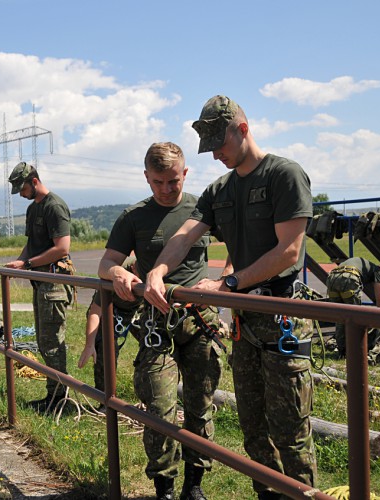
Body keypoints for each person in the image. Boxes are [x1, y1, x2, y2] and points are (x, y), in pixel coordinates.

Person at [144, 96, 317, 499]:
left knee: (290, 433)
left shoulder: (283, 175)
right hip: (244, 325)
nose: (215, 155)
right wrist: (158, 270)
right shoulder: (219, 189)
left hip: (280, 318)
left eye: (220, 146)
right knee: (254, 432)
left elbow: (289, 250)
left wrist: (227, 286)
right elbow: (185, 236)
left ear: (242, 128)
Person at [99, 142, 223, 500]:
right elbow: (108, 262)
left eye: (173, 181)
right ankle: (164, 487)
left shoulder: (204, 209)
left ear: (184, 173)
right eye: (158, 183)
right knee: (159, 408)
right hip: (156, 324)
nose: (167, 190)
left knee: (200, 405)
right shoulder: (134, 217)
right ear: (146, 179)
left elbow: (238, 250)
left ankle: (194, 485)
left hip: (200, 321)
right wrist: (119, 274)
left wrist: (222, 279)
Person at [5, 162, 74, 412]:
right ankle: (53, 396)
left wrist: (28, 263)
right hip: (40, 281)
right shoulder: (34, 209)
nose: (20, 194)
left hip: (54, 283)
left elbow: (62, 248)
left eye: (22, 189)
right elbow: (31, 244)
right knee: (44, 342)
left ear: (34, 182)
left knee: (53, 342)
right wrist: (21, 262)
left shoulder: (54, 206)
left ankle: (61, 400)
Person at [78, 256, 141, 396]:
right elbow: (95, 312)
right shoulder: (116, 275)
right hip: (110, 311)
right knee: (106, 350)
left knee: (155, 345)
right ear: (133, 268)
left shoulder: (154, 273)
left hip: (139, 311)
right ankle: (106, 397)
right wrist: (89, 345)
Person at [326, 257, 380, 357]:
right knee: (355, 317)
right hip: (349, 278)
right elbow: (379, 298)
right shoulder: (378, 271)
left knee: (340, 317)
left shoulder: (362, 264)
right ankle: (355, 350)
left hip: (332, 278)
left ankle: (342, 351)